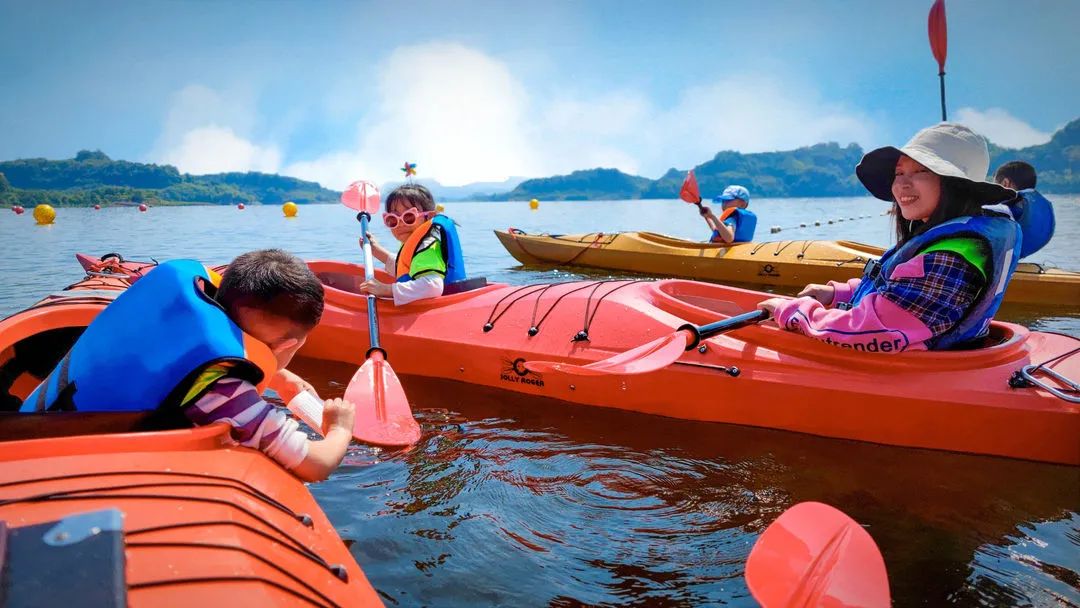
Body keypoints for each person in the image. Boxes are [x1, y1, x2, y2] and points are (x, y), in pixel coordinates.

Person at [22, 249, 356, 482]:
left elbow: (211, 351)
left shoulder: (180, 315)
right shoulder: (227, 393)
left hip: (32, 421)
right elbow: (317, 465)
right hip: (69, 465)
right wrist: (340, 427)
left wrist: (279, 378)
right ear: (290, 345)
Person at [758, 123, 1020, 353]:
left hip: (916, 377)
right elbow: (895, 289)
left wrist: (795, 312)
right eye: (899, 173)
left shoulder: (948, 257)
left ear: (957, 184)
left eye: (921, 172)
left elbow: (877, 330)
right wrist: (837, 293)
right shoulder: (943, 235)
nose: (902, 185)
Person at [359, 183, 467, 305]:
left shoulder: (427, 246)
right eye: (392, 219)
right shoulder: (414, 243)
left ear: (429, 217)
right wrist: (376, 251)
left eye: (409, 217)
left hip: (438, 311)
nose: (401, 223)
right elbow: (407, 269)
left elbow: (433, 286)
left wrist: (386, 289)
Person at [992, 160, 1055, 258]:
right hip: (1029, 249)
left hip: (1008, 252)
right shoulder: (1044, 203)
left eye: (995, 185)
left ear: (1005, 183)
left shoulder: (1014, 201)